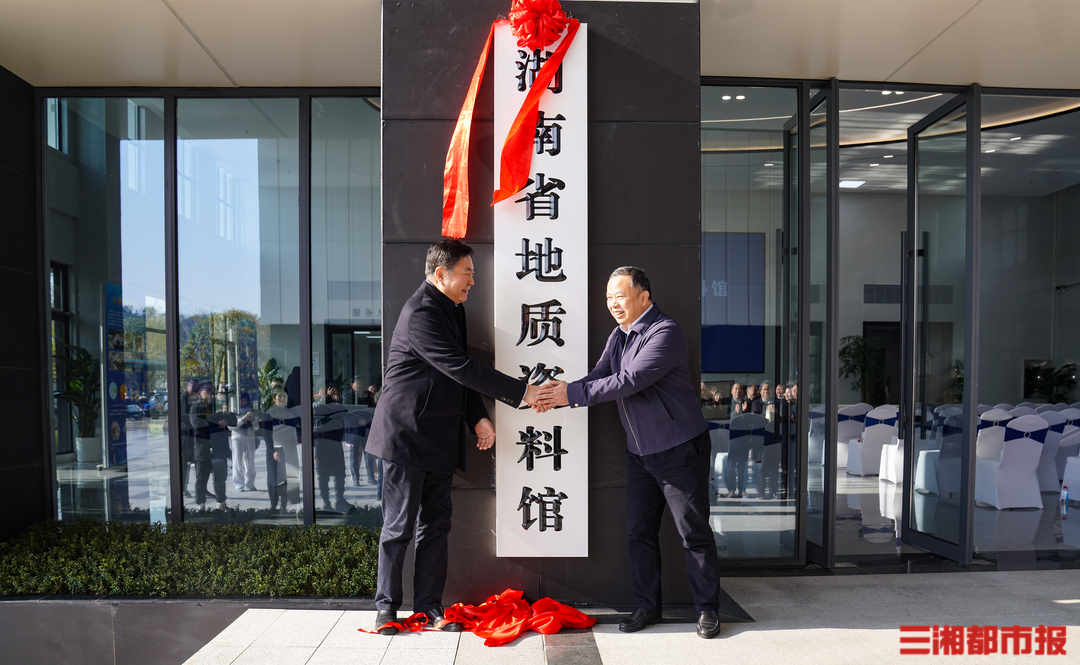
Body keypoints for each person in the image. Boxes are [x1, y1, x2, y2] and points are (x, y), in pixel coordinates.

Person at [365, 239, 546, 635]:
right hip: (406, 436)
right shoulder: (421, 313)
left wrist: (478, 418)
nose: (472, 282)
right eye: (467, 274)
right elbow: (462, 367)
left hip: (440, 437)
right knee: (398, 527)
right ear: (440, 274)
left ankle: (429, 607)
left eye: (473, 274)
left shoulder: (454, 309)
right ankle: (386, 610)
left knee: (437, 525)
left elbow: (455, 374)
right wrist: (522, 392)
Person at [537, 266, 722, 640]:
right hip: (640, 453)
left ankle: (707, 609)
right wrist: (563, 392)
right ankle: (647, 606)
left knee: (693, 534)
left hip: (678, 449)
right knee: (639, 534)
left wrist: (569, 395)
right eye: (609, 298)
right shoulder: (619, 336)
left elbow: (629, 380)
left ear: (644, 297)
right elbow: (599, 374)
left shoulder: (664, 332)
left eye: (620, 296)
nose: (613, 304)